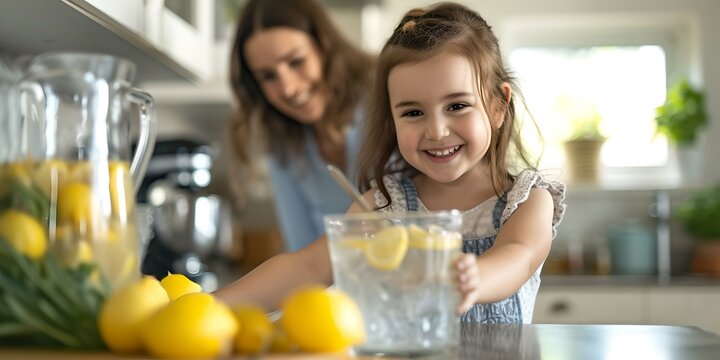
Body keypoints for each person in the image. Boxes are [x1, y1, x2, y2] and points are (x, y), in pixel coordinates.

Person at [216, 2, 566, 323]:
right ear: (391, 120)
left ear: (498, 106)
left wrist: (475, 278)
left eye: (457, 106)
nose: (436, 130)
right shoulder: (383, 206)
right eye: (413, 112)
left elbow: (518, 255)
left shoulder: (528, 201)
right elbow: (308, 266)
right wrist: (210, 303)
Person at [227, 0, 374, 252]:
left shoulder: (385, 103)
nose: (288, 88)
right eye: (267, 76)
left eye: (296, 62)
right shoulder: (282, 146)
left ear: (325, 47)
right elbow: (301, 249)